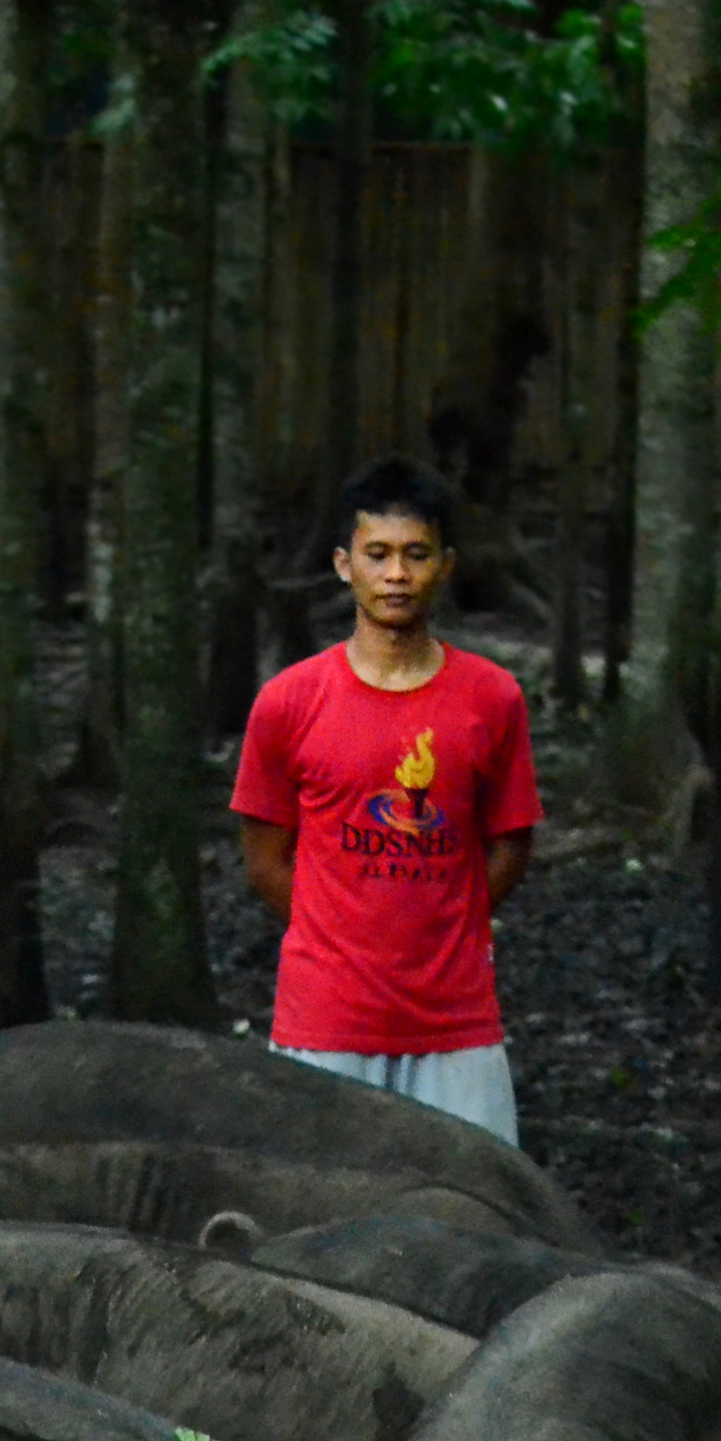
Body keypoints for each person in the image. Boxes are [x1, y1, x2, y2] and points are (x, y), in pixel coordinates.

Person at [230, 458, 541, 1146]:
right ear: (344, 565)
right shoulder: (288, 702)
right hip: (325, 1022)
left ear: (446, 566)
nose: (396, 574)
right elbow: (264, 860)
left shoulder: (492, 698)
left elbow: (511, 844)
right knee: (317, 1201)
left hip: (456, 1022)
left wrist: (441, 921)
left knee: (474, 1201)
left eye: (416, 555)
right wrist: (343, 930)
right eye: (377, 554)